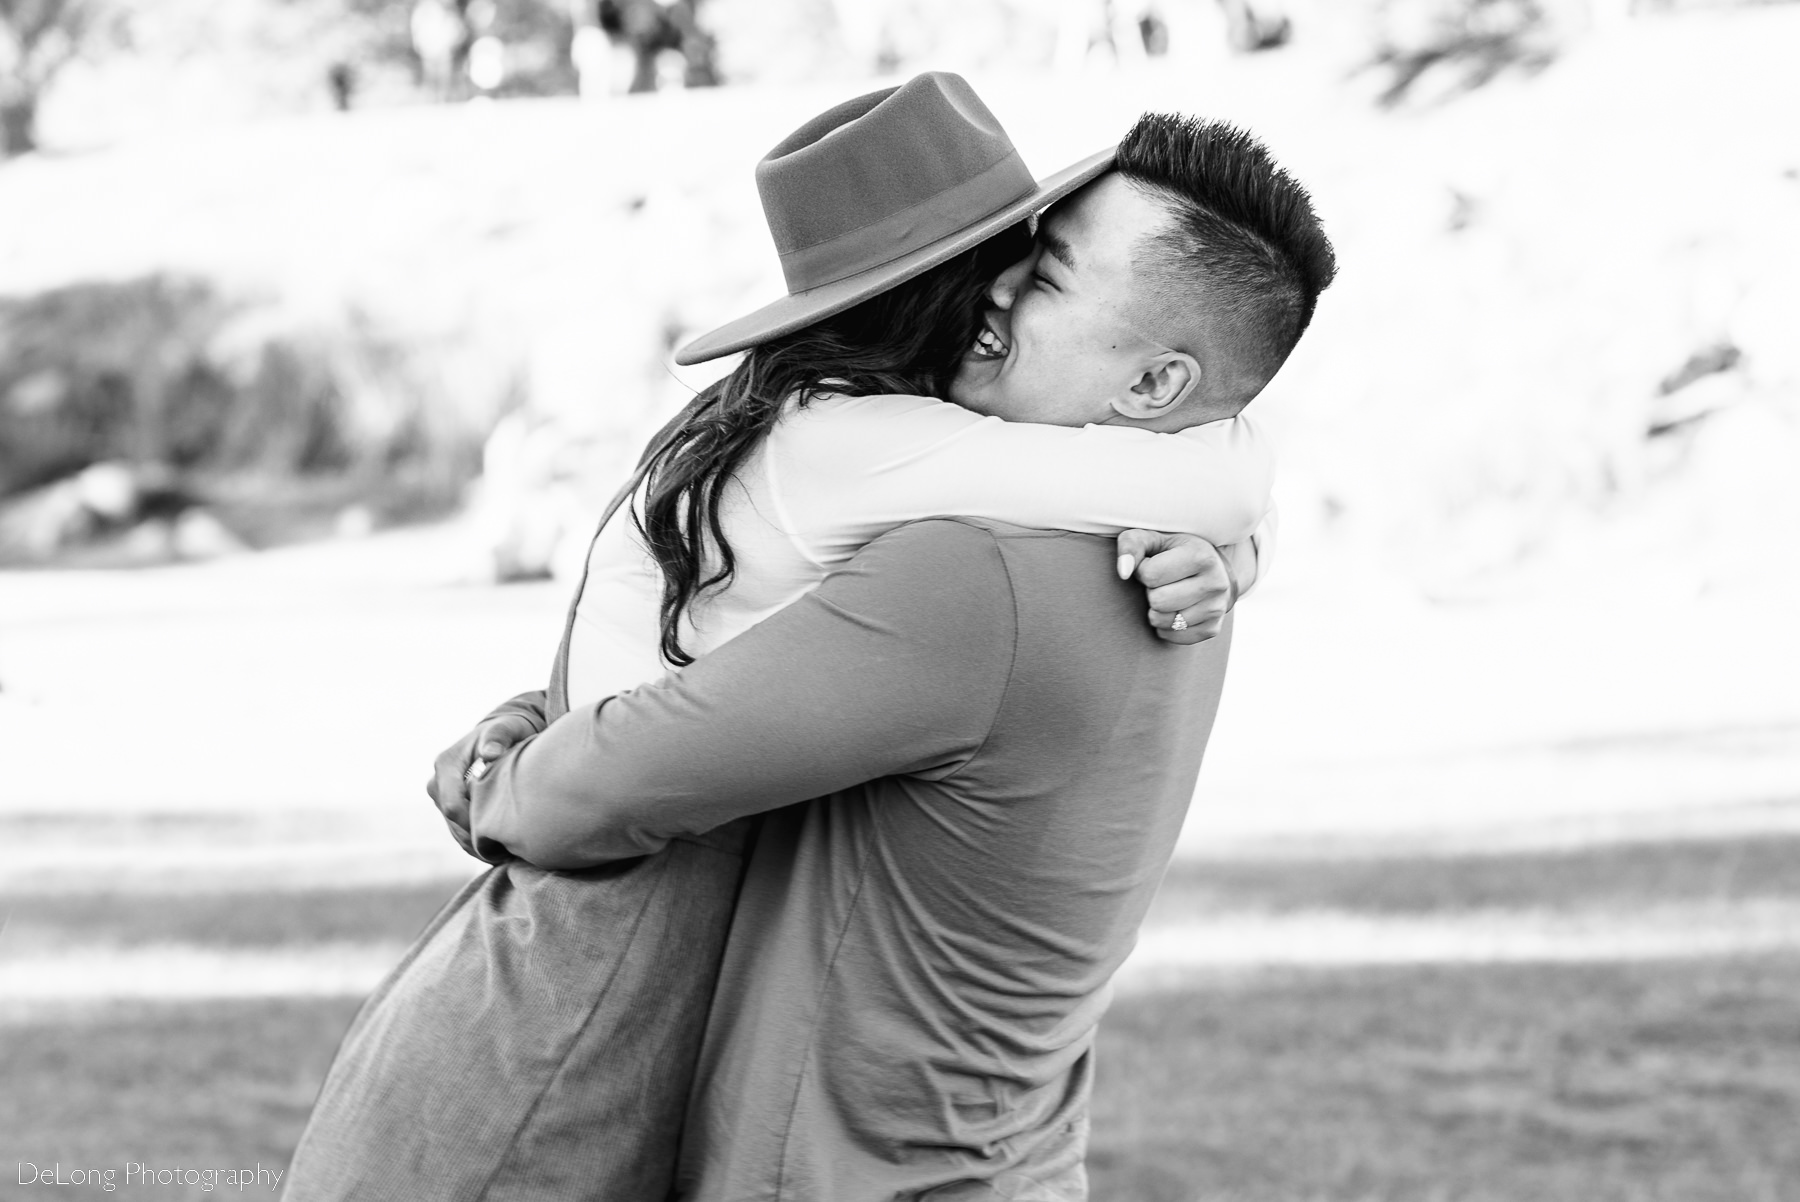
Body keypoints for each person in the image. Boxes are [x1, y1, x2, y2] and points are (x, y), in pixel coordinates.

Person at [283, 75, 1326, 1201]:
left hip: (672, 1052)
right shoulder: (1081, 529)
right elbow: (1203, 470)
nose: (1011, 292)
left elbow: (581, 789)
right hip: (898, 1117)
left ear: (1158, 380)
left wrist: (500, 766)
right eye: (1012, 259)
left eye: (1044, 266)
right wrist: (1238, 533)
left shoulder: (980, 564)